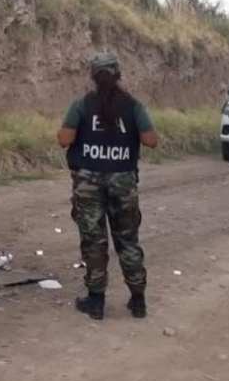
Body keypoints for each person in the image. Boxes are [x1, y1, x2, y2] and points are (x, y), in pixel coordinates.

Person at [56, 52, 158, 320]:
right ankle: (138, 301)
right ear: (118, 75)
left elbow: (64, 139)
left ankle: (96, 301)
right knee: (127, 240)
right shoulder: (133, 106)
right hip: (123, 180)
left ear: (93, 76)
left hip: (88, 182)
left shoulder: (82, 104)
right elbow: (150, 140)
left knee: (93, 241)